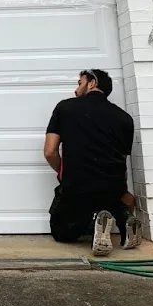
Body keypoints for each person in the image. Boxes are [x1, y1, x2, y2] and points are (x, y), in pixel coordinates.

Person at [44, 69, 142, 256]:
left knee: (61, 230)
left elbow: (50, 152)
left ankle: (94, 219)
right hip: (112, 188)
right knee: (110, 197)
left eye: (79, 83)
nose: (76, 90)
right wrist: (124, 191)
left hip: (77, 185)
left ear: (92, 83)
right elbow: (122, 161)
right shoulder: (124, 118)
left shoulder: (65, 108)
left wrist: (64, 174)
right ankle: (124, 219)